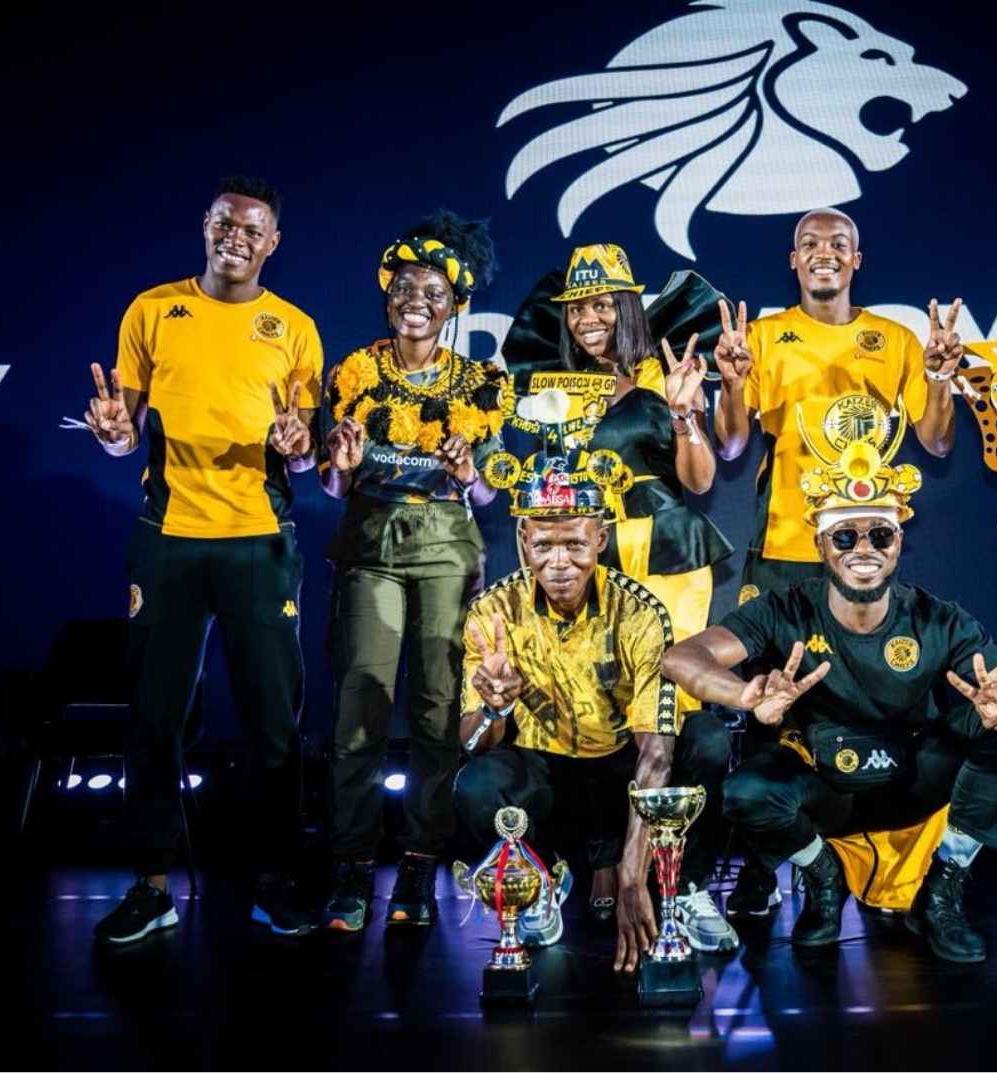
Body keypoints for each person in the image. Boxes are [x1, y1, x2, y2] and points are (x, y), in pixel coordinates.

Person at [662, 394, 997, 962]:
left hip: (910, 779)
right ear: (822, 546)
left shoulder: (935, 617)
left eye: (880, 535)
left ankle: (942, 889)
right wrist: (743, 694)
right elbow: (682, 657)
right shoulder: (784, 608)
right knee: (746, 791)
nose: (864, 549)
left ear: (899, 543)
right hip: (824, 784)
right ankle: (823, 877)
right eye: (846, 537)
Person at [709, 207, 967, 915]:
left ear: (858, 260)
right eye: (810, 245)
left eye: (839, 244)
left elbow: (938, 443)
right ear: (793, 261)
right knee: (773, 712)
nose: (825, 254)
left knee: (868, 706)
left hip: (864, 557)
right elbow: (731, 447)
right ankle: (768, 862)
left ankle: (889, 859)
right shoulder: (763, 335)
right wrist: (732, 382)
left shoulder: (896, 339)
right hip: (787, 549)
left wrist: (941, 378)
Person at [87, 176, 324, 943]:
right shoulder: (153, 309)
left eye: (253, 229)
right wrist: (115, 437)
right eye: (225, 224)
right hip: (169, 536)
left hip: (259, 538)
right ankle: (151, 883)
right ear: (206, 226)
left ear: (273, 242)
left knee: (273, 724)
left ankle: (277, 878)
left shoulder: (294, 327)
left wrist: (301, 442)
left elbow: (309, 441)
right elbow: (126, 431)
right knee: (154, 717)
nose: (237, 238)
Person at [506, 243, 734, 920]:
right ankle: (606, 856)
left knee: (673, 718)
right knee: (598, 710)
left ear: (629, 305)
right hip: (589, 555)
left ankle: (679, 878)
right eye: (578, 308)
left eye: (604, 303)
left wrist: (688, 411)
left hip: (665, 553)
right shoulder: (551, 388)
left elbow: (698, 481)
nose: (590, 318)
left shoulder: (666, 372)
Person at [455, 432, 739, 967]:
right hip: (552, 781)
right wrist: (492, 707)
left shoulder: (640, 612)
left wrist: (633, 874)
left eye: (575, 545)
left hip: (623, 776)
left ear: (600, 539)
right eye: (543, 545)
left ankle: (685, 888)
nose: (559, 562)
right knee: (477, 783)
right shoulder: (492, 611)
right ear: (521, 539)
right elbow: (471, 743)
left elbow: (655, 753)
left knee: (704, 739)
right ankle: (536, 885)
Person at [316, 214, 511, 931]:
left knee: (437, 709)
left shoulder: (484, 381)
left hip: (447, 552)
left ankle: (422, 868)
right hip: (370, 548)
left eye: (431, 288)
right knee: (360, 705)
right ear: (387, 295)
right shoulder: (355, 371)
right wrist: (337, 466)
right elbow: (335, 487)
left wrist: (469, 473)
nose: (416, 298)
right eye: (404, 287)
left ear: (454, 302)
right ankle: (350, 866)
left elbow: (489, 495)